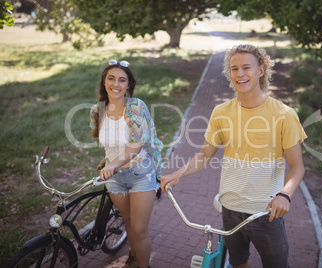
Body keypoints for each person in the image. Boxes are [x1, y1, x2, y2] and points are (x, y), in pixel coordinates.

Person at [161, 44, 307, 268]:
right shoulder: (221, 112)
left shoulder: (284, 114)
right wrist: (179, 173)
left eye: (246, 67)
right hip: (229, 208)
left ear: (261, 70)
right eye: (234, 68)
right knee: (239, 263)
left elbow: (298, 167)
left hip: (265, 211)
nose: (240, 74)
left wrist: (284, 195)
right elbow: (204, 155)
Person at [89, 59, 163, 268]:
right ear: (104, 82)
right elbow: (107, 142)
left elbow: (136, 146)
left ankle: (143, 265)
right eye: (111, 79)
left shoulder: (136, 107)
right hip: (115, 179)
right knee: (128, 222)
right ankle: (134, 255)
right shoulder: (97, 110)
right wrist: (109, 163)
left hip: (141, 173)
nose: (116, 84)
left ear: (128, 85)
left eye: (122, 80)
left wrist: (112, 164)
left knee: (139, 229)